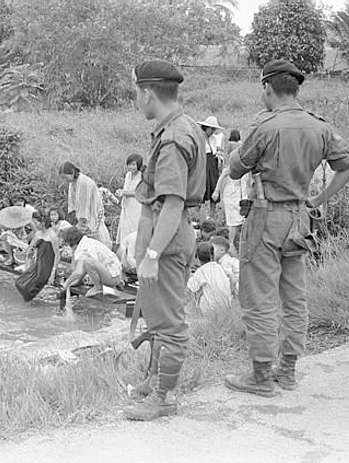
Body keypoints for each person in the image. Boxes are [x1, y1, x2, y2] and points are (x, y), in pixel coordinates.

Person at [224, 59, 349, 397]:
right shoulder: (320, 127)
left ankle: (259, 376)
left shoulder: (265, 126)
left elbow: (237, 169)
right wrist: (318, 198)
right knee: (294, 296)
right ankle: (287, 371)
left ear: (267, 88)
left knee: (259, 298)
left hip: (266, 216)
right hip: (300, 217)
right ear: (296, 90)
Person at [123, 60, 206, 421]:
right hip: (168, 231)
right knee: (158, 317)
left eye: (135, 94)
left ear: (148, 93)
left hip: (166, 236)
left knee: (170, 324)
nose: (135, 101)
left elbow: (172, 202)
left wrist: (152, 253)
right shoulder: (181, 126)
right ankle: (155, 381)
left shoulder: (173, 138)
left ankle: (164, 398)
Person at [59, 162, 112, 249]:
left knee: (99, 243)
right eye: (63, 178)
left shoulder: (84, 183)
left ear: (72, 172)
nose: (64, 181)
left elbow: (84, 206)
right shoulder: (73, 182)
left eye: (65, 177)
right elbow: (75, 204)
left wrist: (80, 224)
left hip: (92, 215)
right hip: (86, 216)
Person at [213, 129, 249, 254]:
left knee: (239, 223)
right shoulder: (238, 164)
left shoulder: (232, 148)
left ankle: (235, 245)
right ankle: (232, 246)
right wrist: (217, 191)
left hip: (237, 196)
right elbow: (224, 174)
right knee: (234, 224)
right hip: (234, 196)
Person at [60, 227, 122, 298]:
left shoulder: (85, 247)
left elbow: (78, 272)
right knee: (86, 262)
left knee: (88, 262)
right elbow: (82, 269)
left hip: (113, 278)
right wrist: (76, 281)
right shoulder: (85, 243)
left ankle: (98, 287)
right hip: (113, 275)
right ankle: (96, 285)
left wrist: (66, 283)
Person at [15, 210, 61, 302]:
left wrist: (52, 273)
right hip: (37, 264)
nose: (34, 225)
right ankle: (31, 303)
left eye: (35, 222)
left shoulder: (53, 236)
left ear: (43, 223)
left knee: (27, 287)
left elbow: (57, 255)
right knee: (19, 283)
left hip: (47, 267)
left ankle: (31, 303)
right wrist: (21, 247)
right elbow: (30, 248)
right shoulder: (38, 234)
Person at [187, 242, 231, 313]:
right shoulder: (219, 267)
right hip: (225, 307)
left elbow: (190, 289)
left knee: (194, 292)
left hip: (209, 310)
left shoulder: (202, 271)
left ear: (197, 258)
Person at [197, 116, 224, 219]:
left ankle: (211, 216)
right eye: (211, 129)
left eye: (214, 129)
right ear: (206, 127)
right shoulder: (199, 138)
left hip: (212, 165)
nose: (213, 131)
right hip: (203, 164)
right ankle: (198, 215)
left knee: (213, 188)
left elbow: (217, 151)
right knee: (201, 190)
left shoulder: (214, 139)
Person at [116, 154, 144, 244]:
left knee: (134, 228)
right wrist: (121, 192)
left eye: (133, 165)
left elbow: (141, 193)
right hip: (126, 205)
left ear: (138, 165)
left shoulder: (142, 177)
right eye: (129, 164)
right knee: (125, 228)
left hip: (136, 206)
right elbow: (126, 189)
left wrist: (125, 193)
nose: (131, 167)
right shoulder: (128, 175)